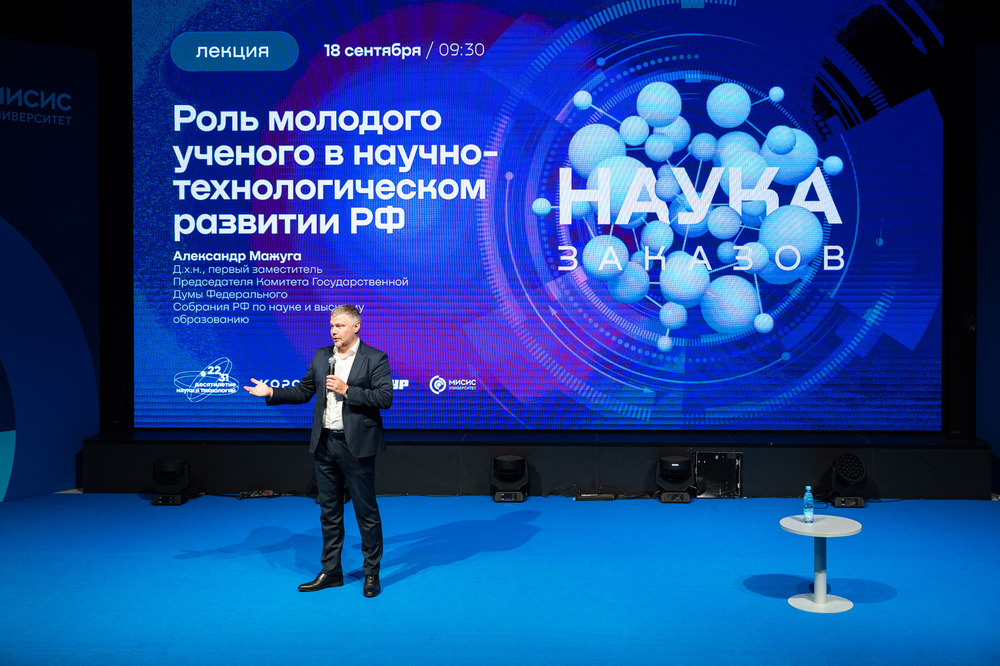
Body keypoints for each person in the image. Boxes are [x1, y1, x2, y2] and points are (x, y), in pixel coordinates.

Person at [244, 305, 393, 597]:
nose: (333, 331)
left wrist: (347, 390)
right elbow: (303, 391)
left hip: (356, 447)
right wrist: (272, 392)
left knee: (366, 513)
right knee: (329, 512)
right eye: (331, 326)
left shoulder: (375, 358)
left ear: (356, 327)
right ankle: (331, 571)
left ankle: (371, 573)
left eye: (339, 326)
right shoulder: (322, 356)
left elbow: (384, 397)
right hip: (325, 444)